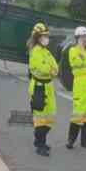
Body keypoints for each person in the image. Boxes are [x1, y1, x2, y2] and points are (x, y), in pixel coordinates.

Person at [27, 23, 59, 156]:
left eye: (47, 36)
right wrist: (50, 70)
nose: (47, 38)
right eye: (44, 36)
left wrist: (51, 70)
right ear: (37, 37)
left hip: (48, 87)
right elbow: (42, 69)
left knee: (49, 117)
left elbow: (55, 68)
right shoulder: (35, 52)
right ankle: (40, 145)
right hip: (39, 87)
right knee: (40, 118)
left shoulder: (46, 52)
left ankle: (39, 140)